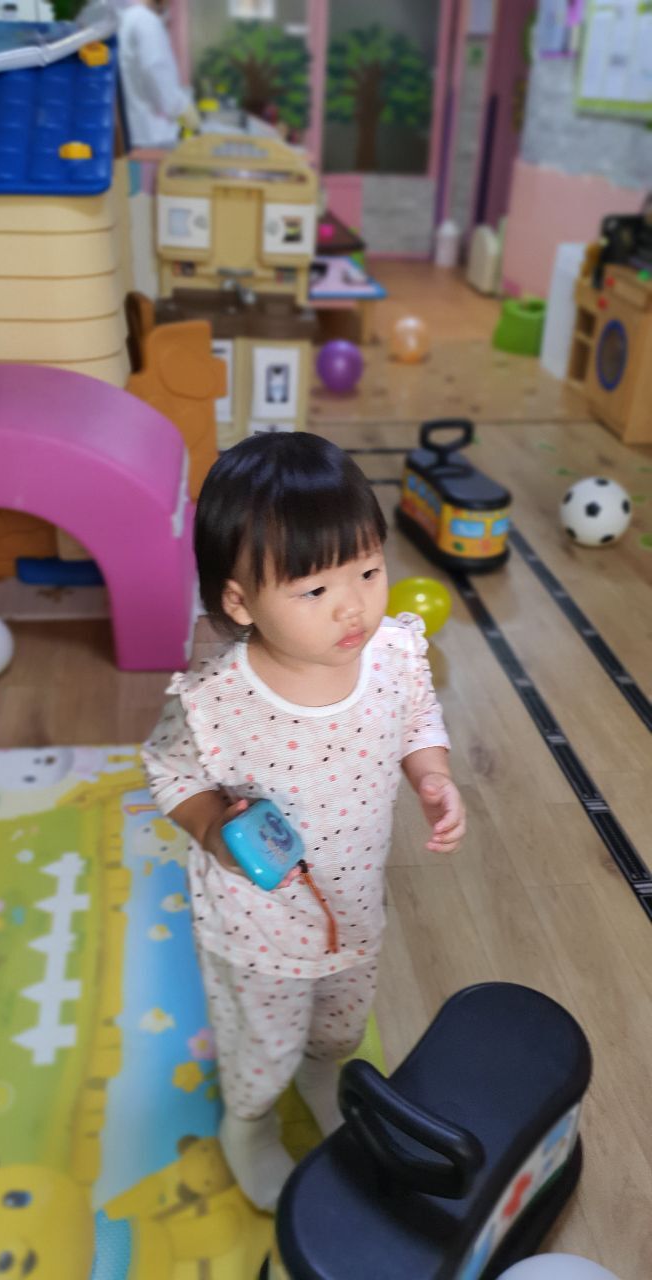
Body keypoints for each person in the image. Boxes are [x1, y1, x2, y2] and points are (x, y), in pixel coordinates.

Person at [141, 433, 465, 1211]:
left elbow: (417, 716)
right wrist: (212, 828)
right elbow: (169, 770)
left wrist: (433, 774)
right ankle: (248, 1123)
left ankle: (325, 1076)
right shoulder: (216, 701)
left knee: (342, 1021)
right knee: (264, 1040)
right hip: (257, 922)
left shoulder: (393, 655)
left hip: (352, 902)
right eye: (314, 590)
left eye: (368, 571)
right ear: (240, 603)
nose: (354, 605)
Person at [116, 0, 199, 149]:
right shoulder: (145, 20)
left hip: (139, 130)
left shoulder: (127, 18)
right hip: (154, 133)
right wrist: (181, 107)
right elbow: (156, 70)